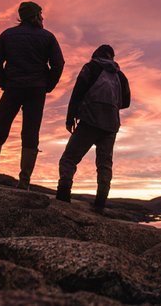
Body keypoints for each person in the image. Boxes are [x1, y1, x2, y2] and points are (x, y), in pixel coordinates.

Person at [0, 1, 65, 189]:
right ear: (34, 16)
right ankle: (24, 182)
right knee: (30, 133)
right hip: (36, 91)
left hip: (13, 87)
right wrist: (47, 86)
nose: (43, 18)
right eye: (40, 14)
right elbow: (58, 64)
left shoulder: (7, 35)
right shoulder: (47, 37)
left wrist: (4, 83)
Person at [56, 44, 131, 211]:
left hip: (90, 120)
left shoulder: (91, 67)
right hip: (111, 125)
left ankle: (63, 197)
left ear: (96, 54)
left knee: (69, 158)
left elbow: (77, 92)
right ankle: (100, 203)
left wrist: (70, 118)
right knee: (104, 164)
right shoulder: (120, 75)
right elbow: (126, 102)